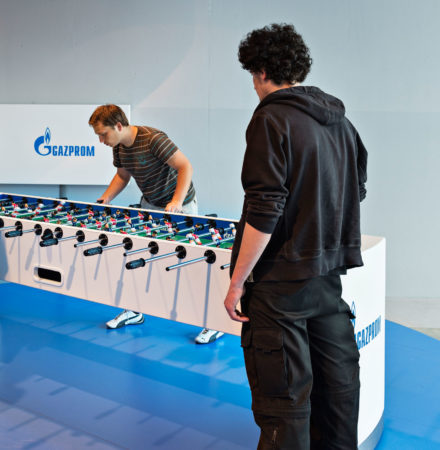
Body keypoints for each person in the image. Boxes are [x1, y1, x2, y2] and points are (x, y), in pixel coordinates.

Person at [223, 24, 367, 449]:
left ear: (263, 72)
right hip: (327, 283)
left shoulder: (270, 118)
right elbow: (356, 189)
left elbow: (265, 208)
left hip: (279, 289)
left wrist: (237, 281)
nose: (254, 86)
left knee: (284, 406)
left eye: (253, 76)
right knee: (337, 398)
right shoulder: (341, 121)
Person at [89, 104, 223, 344]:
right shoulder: (119, 147)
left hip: (180, 207)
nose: (101, 140)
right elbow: (122, 175)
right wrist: (106, 198)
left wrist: (176, 201)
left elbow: (185, 166)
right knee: (137, 259)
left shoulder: (153, 139)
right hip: (150, 206)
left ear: (118, 126)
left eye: (103, 134)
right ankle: (134, 310)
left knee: (192, 266)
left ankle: (214, 323)